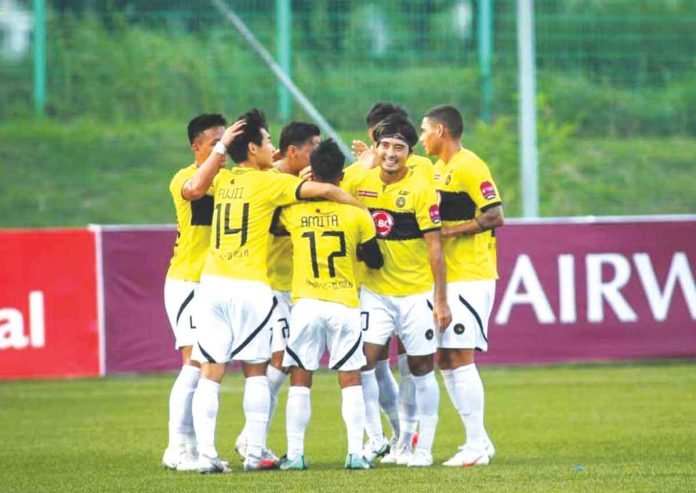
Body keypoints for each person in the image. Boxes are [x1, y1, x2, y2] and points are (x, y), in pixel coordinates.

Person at [184, 109, 364, 473]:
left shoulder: (222, 180)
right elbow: (327, 189)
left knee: (211, 371)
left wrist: (220, 148)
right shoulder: (271, 183)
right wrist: (361, 212)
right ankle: (254, 453)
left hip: (213, 284)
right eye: (267, 142)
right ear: (253, 149)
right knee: (255, 370)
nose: (273, 148)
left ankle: (206, 455)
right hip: (250, 286)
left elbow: (193, 189)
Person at [350, 114, 451, 467]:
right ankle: (376, 438)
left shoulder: (422, 189)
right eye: (385, 146)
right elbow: (327, 184)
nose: (390, 153)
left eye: (399, 147)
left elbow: (435, 248)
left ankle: (418, 447)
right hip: (374, 292)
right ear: (375, 149)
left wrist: (440, 299)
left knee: (421, 368)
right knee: (363, 361)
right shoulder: (360, 180)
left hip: (414, 293)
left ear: (409, 153)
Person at [276, 139, 384, 471]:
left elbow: (273, 227)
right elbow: (376, 260)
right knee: (350, 379)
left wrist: (304, 187)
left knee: (300, 379)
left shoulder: (293, 211)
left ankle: (295, 455)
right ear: (341, 175)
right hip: (344, 304)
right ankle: (354, 453)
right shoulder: (356, 214)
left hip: (306, 304)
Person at [419, 105, 504, 467]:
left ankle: (474, 446)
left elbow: (495, 215)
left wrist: (446, 233)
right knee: (446, 358)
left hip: (471, 274)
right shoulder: (439, 169)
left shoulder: (470, 165)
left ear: (441, 130)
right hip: (450, 277)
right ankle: (480, 440)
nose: (422, 137)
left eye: (424, 130)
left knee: (461, 356)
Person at [235, 121, 321, 461]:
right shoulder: (273, 182)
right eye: (312, 148)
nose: (316, 155)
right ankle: (249, 440)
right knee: (278, 361)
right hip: (268, 287)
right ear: (292, 151)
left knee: (282, 362)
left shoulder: (296, 181)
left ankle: (251, 439)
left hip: (294, 288)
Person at [161, 113, 227, 471]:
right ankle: (178, 448)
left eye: (227, 142)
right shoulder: (184, 178)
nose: (224, 149)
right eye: (216, 142)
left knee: (209, 364)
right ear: (197, 147)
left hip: (216, 284)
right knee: (193, 364)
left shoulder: (231, 180)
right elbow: (196, 191)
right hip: (188, 281)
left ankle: (199, 449)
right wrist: (220, 152)